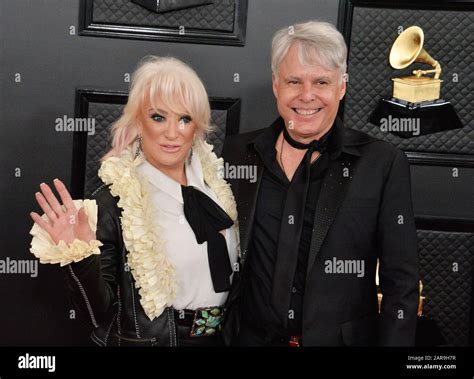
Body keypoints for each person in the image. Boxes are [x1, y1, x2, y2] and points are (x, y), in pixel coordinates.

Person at [222, 21, 419, 346]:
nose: (307, 95)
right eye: (294, 81)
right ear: (276, 84)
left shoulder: (382, 164)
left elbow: (402, 283)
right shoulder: (237, 153)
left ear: (341, 87)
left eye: (322, 82)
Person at [29, 56, 239, 347]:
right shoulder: (113, 201)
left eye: (184, 118)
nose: (172, 132)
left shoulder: (221, 186)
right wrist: (79, 257)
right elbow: (96, 313)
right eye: (158, 116)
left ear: (197, 126)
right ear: (138, 122)